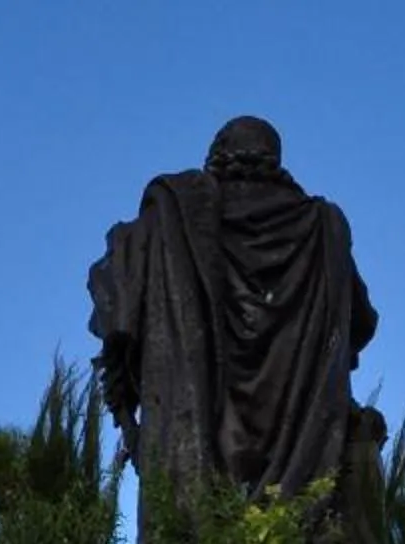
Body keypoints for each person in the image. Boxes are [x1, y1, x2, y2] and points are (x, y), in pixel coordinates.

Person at [88, 116, 379, 519]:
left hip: (199, 426)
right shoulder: (322, 227)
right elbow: (360, 322)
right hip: (300, 443)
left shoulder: (172, 213)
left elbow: (118, 304)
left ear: (218, 153)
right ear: (274, 159)